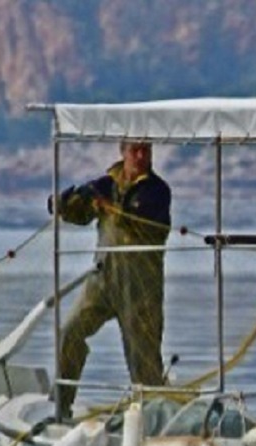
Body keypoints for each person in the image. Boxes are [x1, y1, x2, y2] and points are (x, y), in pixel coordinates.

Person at [49, 140, 172, 418]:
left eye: (146, 150)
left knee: (144, 360)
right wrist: (65, 203)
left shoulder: (157, 190)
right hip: (102, 280)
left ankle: (154, 418)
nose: (141, 156)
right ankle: (60, 405)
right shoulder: (106, 183)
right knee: (69, 331)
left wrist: (110, 206)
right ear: (123, 151)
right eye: (135, 150)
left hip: (141, 287)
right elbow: (79, 215)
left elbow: (146, 222)